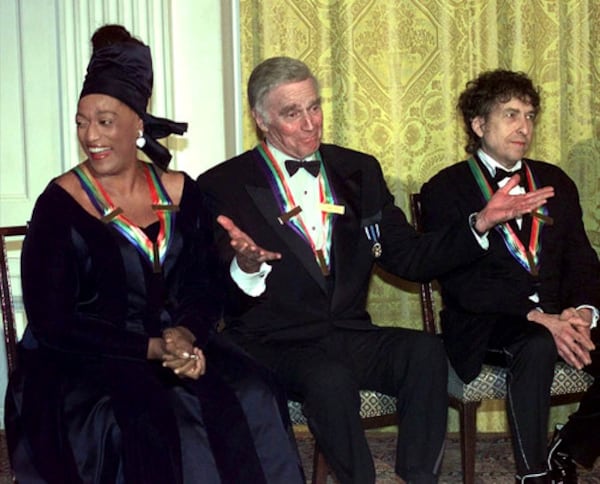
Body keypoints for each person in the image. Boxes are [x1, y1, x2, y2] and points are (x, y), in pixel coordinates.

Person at [197, 56, 553, 484]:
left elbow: (408, 257)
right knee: (329, 380)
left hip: (346, 331)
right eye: (293, 114)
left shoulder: (357, 170)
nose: (311, 123)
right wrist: (245, 266)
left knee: (425, 353)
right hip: (272, 339)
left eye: (315, 107)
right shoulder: (222, 185)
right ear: (260, 119)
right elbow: (210, 290)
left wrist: (478, 223)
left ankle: (419, 477)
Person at [4, 25, 304, 484]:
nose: (90, 136)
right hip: (85, 360)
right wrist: (152, 348)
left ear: (138, 125)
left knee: (254, 391)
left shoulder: (183, 193)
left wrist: (185, 334)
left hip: (175, 341)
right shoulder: (59, 204)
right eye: (82, 121)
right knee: (152, 416)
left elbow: (204, 287)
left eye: (105, 122)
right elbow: (53, 322)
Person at [420, 69, 600, 483]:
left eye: (531, 115)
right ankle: (534, 474)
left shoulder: (555, 181)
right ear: (479, 124)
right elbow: (462, 284)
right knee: (535, 345)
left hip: (561, 317)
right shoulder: (444, 189)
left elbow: (582, 260)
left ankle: (570, 446)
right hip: (486, 325)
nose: (524, 127)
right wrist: (538, 318)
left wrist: (584, 312)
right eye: (511, 114)